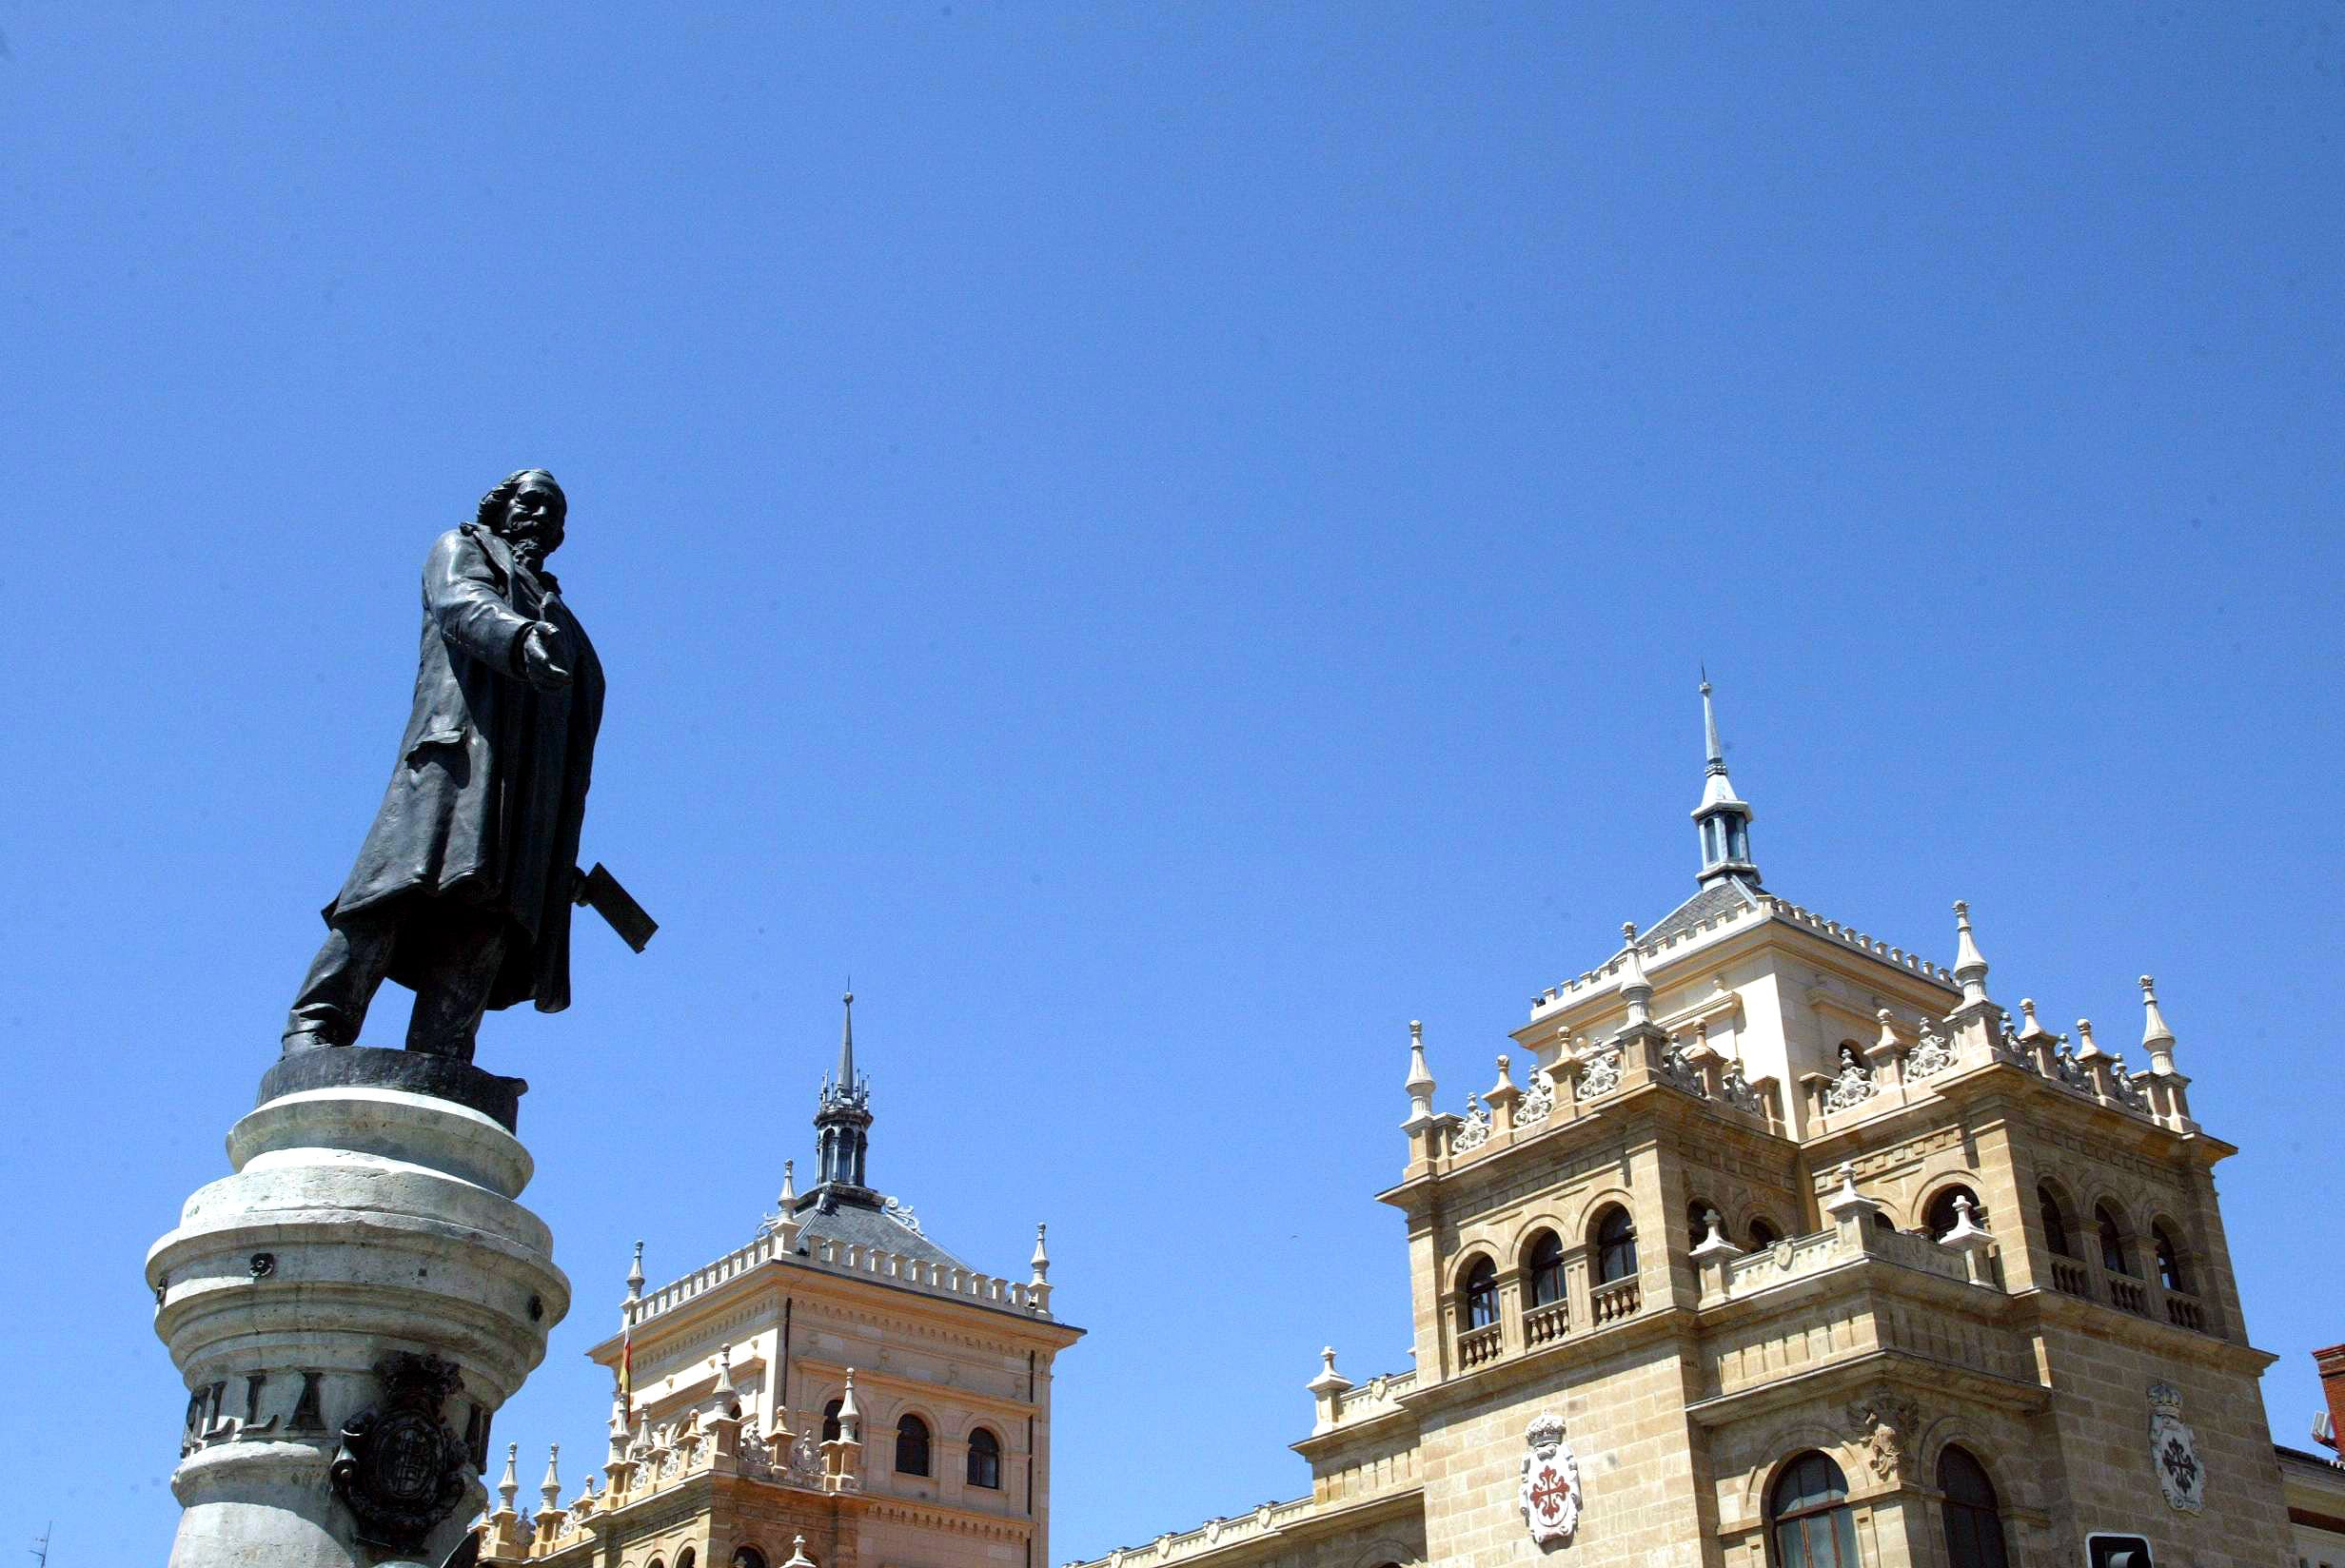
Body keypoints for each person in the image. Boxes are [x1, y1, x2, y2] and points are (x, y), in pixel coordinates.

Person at [282, 468, 606, 1060]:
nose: (540, 518)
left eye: (554, 513)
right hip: (455, 765)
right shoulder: (461, 550)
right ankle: (316, 1024)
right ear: (499, 507)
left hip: (527, 798)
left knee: (486, 921)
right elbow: (463, 605)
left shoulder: (567, 623)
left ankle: (443, 1058)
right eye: (530, 503)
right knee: (392, 892)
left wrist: (558, 842)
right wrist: (521, 637)